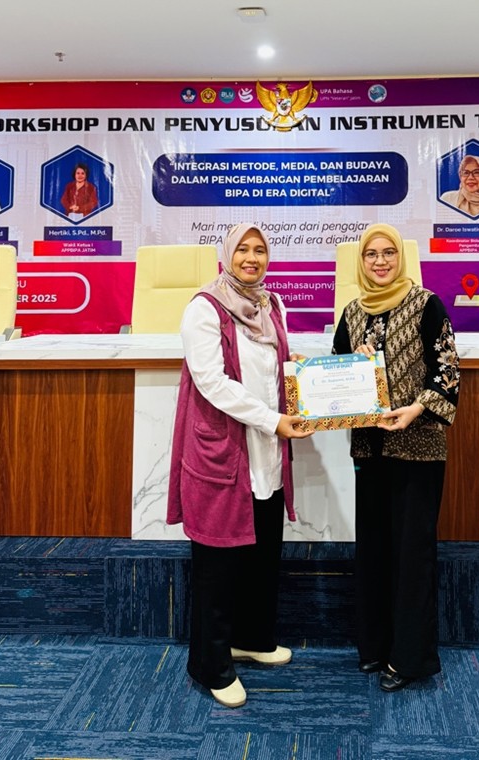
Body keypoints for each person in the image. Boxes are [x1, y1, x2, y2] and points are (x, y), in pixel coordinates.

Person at [167, 223, 313, 709]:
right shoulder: (204, 308)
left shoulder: (272, 305)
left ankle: (251, 638)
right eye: (243, 250)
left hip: (266, 450)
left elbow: (273, 370)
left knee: (262, 551)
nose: (252, 258)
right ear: (227, 255)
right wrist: (274, 420)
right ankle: (210, 664)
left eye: (260, 250)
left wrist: (302, 381)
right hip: (224, 454)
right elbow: (211, 381)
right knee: (218, 563)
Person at [332, 223, 460, 692]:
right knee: (374, 549)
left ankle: (409, 658)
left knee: (411, 553)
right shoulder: (352, 313)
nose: (381, 261)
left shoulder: (427, 305)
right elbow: (336, 377)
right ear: (361, 262)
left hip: (418, 448)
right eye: (371, 254)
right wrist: (353, 363)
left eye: (388, 253)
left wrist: (416, 410)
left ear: (401, 257)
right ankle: (374, 646)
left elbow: (448, 371)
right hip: (370, 449)